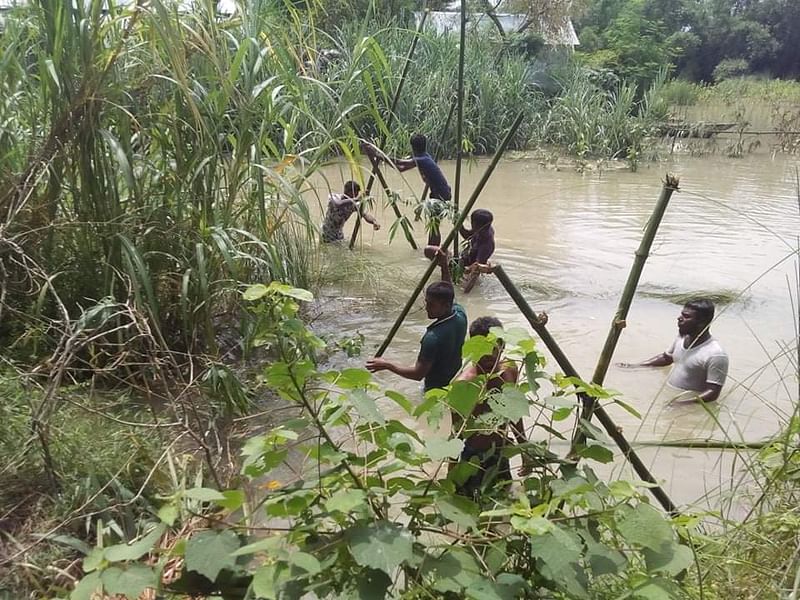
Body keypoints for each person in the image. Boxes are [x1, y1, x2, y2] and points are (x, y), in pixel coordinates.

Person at [366, 247, 466, 393]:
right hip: (456, 379)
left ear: (445, 306)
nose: (426, 308)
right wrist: (444, 264)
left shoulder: (433, 338)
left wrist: (387, 365)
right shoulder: (460, 313)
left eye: (431, 305)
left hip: (434, 390)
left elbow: (418, 374)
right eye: (426, 302)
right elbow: (448, 289)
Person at [452, 316, 526, 499]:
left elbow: (515, 413)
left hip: (501, 453)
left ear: (502, 347)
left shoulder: (509, 370)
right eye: (483, 348)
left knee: (503, 503)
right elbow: (455, 432)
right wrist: (451, 470)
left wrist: (525, 450)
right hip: (473, 457)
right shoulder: (463, 385)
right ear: (473, 347)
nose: (490, 355)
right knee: (471, 508)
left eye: (495, 347)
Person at [622, 299, 729, 402]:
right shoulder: (682, 337)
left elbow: (713, 393)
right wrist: (635, 366)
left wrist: (682, 404)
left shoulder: (716, 355)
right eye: (681, 314)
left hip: (688, 404)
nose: (679, 318)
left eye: (686, 316)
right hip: (671, 395)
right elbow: (666, 358)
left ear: (702, 322)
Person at [363, 134, 451, 246]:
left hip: (441, 195)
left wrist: (378, 155)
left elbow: (400, 162)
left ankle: (434, 249)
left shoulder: (422, 159)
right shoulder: (424, 157)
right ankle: (432, 248)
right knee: (433, 224)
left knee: (434, 225)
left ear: (412, 147)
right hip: (439, 193)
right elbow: (401, 168)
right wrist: (379, 157)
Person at [458, 209, 495, 293]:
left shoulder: (486, 246)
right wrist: (459, 224)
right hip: (467, 258)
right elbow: (467, 236)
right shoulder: (481, 229)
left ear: (475, 224)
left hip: (470, 266)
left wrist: (465, 293)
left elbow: (476, 271)